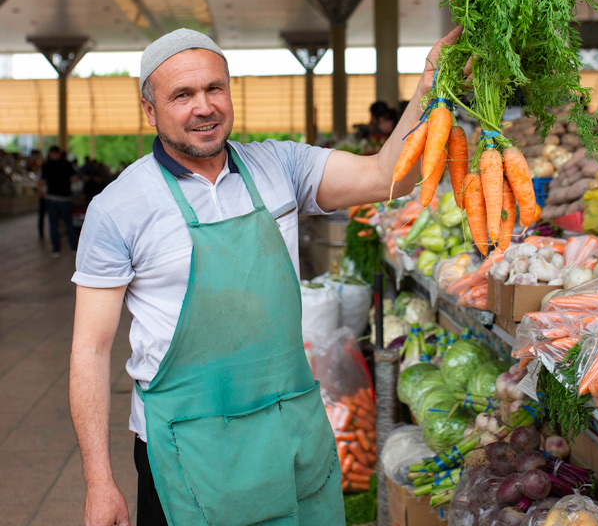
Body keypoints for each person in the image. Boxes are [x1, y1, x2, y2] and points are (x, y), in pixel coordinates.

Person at [69, 26, 461, 526]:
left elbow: (389, 175)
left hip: (289, 430)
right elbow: (90, 349)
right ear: (150, 110)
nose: (204, 106)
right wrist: (99, 482)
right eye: (182, 95)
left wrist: (430, 86)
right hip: (187, 448)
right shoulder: (119, 206)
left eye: (214, 88)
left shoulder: (279, 164)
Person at [39, 145, 78, 256]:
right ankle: (74, 248)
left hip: (51, 198)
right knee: (69, 224)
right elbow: (75, 177)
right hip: (65, 198)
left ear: (51, 154)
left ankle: (56, 250)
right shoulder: (67, 164)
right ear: (59, 154)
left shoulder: (46, 166)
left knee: (53, 225)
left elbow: (42, 182)